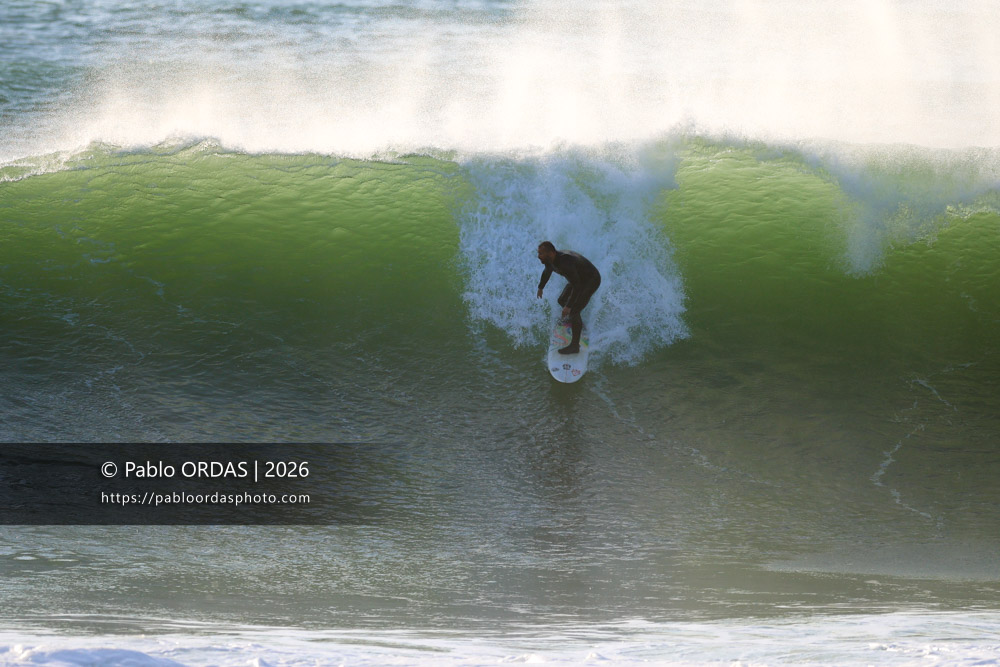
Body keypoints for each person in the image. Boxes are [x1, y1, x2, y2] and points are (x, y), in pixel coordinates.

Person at [536, 241, 601, 354]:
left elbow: (577, 287)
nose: (538, 256)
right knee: (561, 300)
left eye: (541, 253)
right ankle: (576, 321)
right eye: (538, 253)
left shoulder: (565, 263)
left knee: (573, 310)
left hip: (590, 280)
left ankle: (575, 346)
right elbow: (547, 271)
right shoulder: (550, 260)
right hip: (578, 280)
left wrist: (569, 306)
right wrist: (541, 287)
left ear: (550, 253)